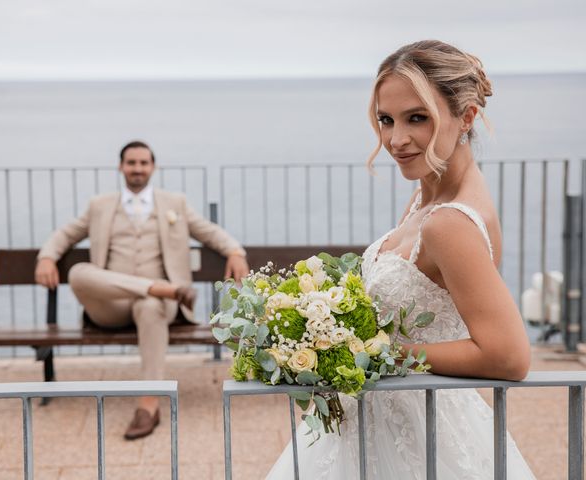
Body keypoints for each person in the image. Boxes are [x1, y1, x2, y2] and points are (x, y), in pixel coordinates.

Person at [266, 41, 536, 478]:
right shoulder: (424, 200)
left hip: (419, 433)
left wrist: (381, 354)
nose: (396, 139)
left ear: (465, 116)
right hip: (379, 421)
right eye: (385, 120)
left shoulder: (448, 224)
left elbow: (508, 355)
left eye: (417, 118)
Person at [35, 140, 249, 440]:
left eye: (143, 163)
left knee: (149, 305)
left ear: (153, 167)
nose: (137, 168)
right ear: (121, 167)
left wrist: (235, 252)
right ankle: (158, 288)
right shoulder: (99, 205)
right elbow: (66, 234)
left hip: (158, 307)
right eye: (131, 163)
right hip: (111, 305)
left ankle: (149, 403)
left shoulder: (175, 203)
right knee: (77, 273)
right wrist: (46, 257)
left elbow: (209, 232)